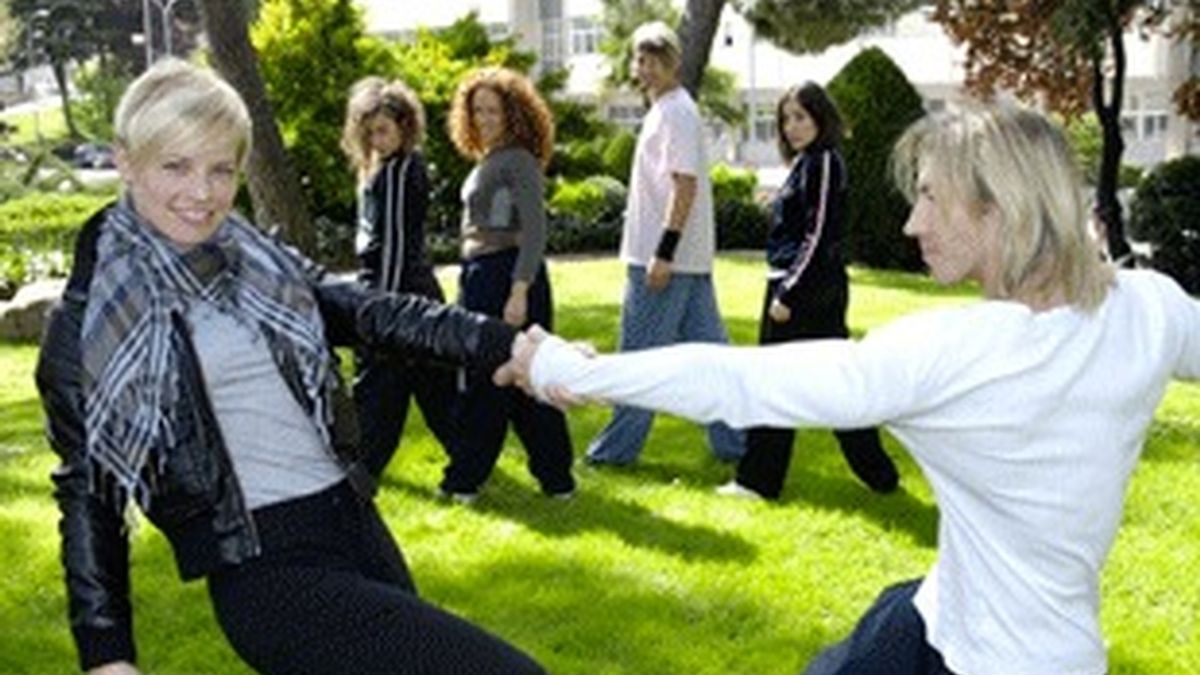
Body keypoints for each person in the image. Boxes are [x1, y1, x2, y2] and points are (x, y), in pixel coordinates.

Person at [504, 104, 1200, 674]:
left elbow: (738, 381)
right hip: (945, 621)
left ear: (998, 210)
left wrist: (567, 371)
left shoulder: (951, 355)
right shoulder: (1152, 306)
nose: (911, 222)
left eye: (930, 196)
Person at [35, 59, 545, 675]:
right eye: (176, 165)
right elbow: (90, 490)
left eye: (221, 169)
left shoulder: (256, 263)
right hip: (268, 570)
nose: (202, 193)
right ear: (125, 161)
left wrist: (501, 344)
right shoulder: (90, 321)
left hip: (355, 526)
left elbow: (365, 310)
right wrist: (106, 653)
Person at [718, 83, 898, 501]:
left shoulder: (825, 163)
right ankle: (879, 475)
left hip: (806, 293)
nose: (792, 126)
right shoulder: (807, 163)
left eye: (801, 116)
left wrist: (788, 294)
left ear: (821, 117)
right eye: (786, 118)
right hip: (796, 287)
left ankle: (757, 480)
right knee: (834, 387)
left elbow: (818, 237)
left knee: (774, 384)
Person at [584, 20, 744, 467]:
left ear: (674, 63)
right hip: (684, 262)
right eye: (640, 58)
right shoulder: (669, 109)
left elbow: (685, 186)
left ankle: (612, 453)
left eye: (656, 60)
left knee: (637, 361)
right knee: (714, 365)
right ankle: (739, 444)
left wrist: (663, 253)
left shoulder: (675, 112)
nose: (646, 68)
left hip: (664, 261)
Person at [438, 66, 575, 502]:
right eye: (477, 110)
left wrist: (518, 290)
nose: (483, 118)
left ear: (513, 113)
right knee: (517, 384)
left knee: (496, 378)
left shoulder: (518, 160)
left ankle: (464, 482)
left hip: (508, 277)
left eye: (493, 110)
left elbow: (534, 232)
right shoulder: (490, 159)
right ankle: (557, 481)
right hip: (481, 276)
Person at [339, 76, 462, 479]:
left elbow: (392, 244)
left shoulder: (400, 172)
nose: (375, 140)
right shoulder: (388, 169)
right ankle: (468, 458)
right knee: (432, 385)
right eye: (369, 132)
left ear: (404, 127)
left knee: (382, 388)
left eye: (383, 131)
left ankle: (364, 467)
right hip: (411, 294)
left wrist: (382, 309)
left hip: (398, 295)